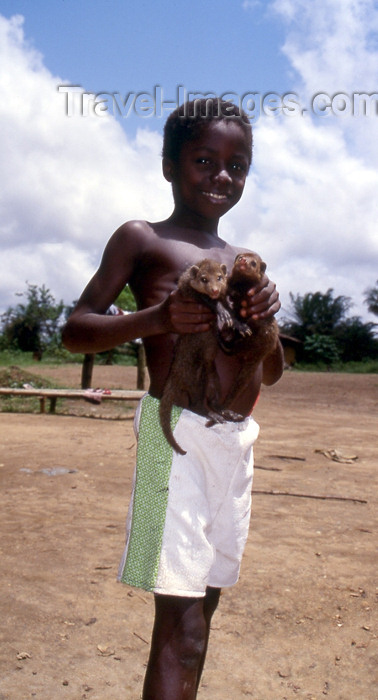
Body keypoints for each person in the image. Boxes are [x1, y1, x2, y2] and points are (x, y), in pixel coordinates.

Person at [62, 98, 284, 700]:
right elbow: (76, 328)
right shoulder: (144, 238)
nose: (222, 176)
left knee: (202, 613)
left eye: (237, 165)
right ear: (168, 165)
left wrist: (264, 318)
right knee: (180, 626)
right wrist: (156, 318)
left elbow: (270, 370)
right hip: (173, 439)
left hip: (234, 446)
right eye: (204, 160)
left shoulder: (240, 263)